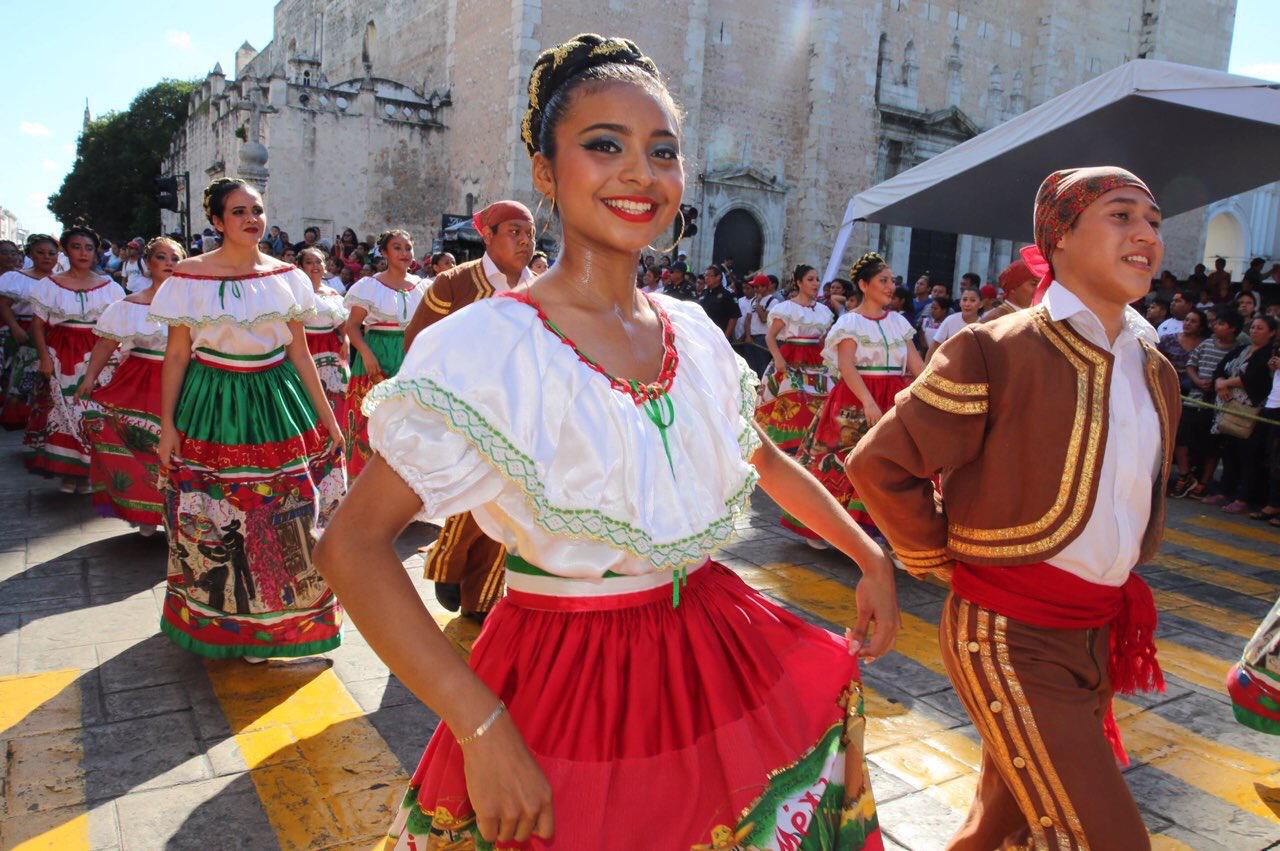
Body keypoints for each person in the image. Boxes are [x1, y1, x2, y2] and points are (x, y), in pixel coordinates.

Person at [314, 34, 895, 850]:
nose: (640, 173)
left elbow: (762, 456)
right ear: (546, 174)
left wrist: (866, 553)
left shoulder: (692, 332)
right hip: (568, 678)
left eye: (664, 151)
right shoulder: (493, 347)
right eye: (604, 146)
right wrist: (480, 726)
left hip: (713, 647)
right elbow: (351, 545)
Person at [850, 166, 1179, 850]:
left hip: (1094, 630)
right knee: (1109, 838)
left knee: (1008, 826)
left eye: (1152, 220)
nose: (1146, 233)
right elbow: (879, 464)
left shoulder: (1156, 368)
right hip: (1009, 633)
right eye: (1121, 215)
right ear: (1058, 237)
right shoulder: (992, 349)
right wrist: (947, 561)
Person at [151, 177, 345, 661]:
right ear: (216, 221)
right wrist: (168, 426)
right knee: (216, 513)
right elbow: (176, 356)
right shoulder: (189, 277)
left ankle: (277, 624)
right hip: (210, 399)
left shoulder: (286, 276)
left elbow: (300, 353)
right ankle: (227, 623)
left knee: (286, 510)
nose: (251, 219)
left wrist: (330, 421)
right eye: (237, 212)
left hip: (276, 397)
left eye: (256, 209)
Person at [402, 200, 535, 621]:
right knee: (473, 493)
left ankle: (482, 597)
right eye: (514, 231)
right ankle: (450, 563)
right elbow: (418, 344)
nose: (525, 240)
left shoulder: (542, 288)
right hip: (466, 411)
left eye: (529, 232)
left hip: (522, 414)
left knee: (508, 504)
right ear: (487, 235)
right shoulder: (454, 284)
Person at [787, 252, 922, 546]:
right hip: (855, 397)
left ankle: (887, 533)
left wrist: (929, 393)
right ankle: (825, 526)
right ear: (863, 284)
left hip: (894, 396)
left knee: (891, 464)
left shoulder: (899, 322)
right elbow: (847, 365)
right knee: (843, 457)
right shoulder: (850, 322)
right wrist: (867, 401)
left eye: (892, 281)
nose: (890, 287)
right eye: (883, 281)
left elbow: (916, 364)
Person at [75, 237, 183, 535]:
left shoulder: (195, 304)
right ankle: (146, 511)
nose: (169, 263)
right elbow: (107, 343)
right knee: (141, 441)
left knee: (182, 446)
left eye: (175, 258)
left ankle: (177, 513)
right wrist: (88, 378)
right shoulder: (129, 305)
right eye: (162, 257)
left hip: (185, 380)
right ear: (148, 264)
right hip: (140, 379)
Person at [25, 226, 126, 492]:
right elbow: (37, 325)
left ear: (96, 252)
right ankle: (70, 472)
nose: (83, 253)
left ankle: (93, 469)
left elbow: (117, 326)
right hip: (62, 350)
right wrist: (45, 357)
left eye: (89, 248)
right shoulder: (50, 286)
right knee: (64, 408)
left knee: (95, 411)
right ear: (66, 250)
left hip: (98, 350)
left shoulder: (110, 288)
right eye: (76, 247)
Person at [341, 230, 428, 478]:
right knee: (369, 420)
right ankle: (364, 482)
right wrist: (367, 355)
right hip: (377, 353)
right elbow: (352, 327)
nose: (404, 253)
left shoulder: (425, 287)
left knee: (407, 422)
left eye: (408, 248)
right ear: (384, 253)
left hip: (409, 355)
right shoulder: (370, 286)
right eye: (397, 248)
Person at [755, 264, 835, 451]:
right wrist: (778, 359)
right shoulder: (786, 309)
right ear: (799, 283)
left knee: (819, 399)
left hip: (816, 359)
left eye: (817, 279)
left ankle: (812, 441)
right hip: (791, 357)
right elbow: (770, 336)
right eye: (810, 279)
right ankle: (786, 443)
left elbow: (827, 338)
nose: (815, 283)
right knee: (790, 399)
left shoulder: (822, 311)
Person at [1208, 315, 1277, 514]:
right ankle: (1225, 490)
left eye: (1261, 328)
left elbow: (1256, 377)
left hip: (1251, 409)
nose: (1255, 331)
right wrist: (1220, 382)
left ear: (1271, 332)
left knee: (1249, 454)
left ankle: (1244, 496)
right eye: (1253, 327)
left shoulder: (1268, 354)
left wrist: (1227, 383)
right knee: (1228, 450)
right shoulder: (1242, 349)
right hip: (1228, 406)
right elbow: (1222, 367)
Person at [1184, 309, 1246, 500]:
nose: (1215, 326)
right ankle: (1185, 476)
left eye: (1221, 323)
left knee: (1212, 446)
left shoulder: (1239, 350)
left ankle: (1204, 482)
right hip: (1194, 398)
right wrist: (1197, 380)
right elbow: (1191, 364)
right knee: (1182, 438)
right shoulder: (1207, 344)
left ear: (1233, 329)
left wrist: (1220, 384)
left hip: (1219, 404)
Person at [0, 235, 58, 430]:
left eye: (51, 253)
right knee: (23, 375)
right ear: (30, 254)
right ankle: (19, 417)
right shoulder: (17, 278)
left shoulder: (62, 279)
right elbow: (4, 305)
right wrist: (15, 328)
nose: (46, 257)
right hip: (25, 331)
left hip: (55, 333)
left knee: (49, 379)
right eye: (40, 253)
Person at [1161, 308, 1208, 497]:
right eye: (1187, 320)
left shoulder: (1205, 344)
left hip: (1192, 396)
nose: (1188, 323)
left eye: (1194, 321)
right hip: (1166, 390)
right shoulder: (1168, 339)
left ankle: (1185, 474)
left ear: (1201, 326)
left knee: (1181, 435)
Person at [298, 246, 349, 417]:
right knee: (307, 391)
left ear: (325, 266)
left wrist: (346, 341)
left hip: (331, 346)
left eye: (318, 261)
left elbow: (342, 323)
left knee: (335, 391)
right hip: (303, 345)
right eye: (309, 262)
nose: (315, 265)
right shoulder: (295, 293)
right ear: (300, 267)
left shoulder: (332, 294)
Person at [926, 287, 979, 362]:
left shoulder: (984, 324)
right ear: (960, 302)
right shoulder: (950, 320)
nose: (967, 304)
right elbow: (934, 346)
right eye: (964, 300)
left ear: (981, 304)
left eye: (972, 300)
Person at [980, 257, 1037, 323]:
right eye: (1034, 284)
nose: (1039, 288)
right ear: (1013, 287)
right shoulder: (993, 320)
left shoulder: (1031, 316)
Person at [695, 264, 740, 341]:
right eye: (705, 275)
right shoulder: (704, 292)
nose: (706, 278)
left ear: (718, 277)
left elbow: (734, 317)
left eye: (710, 275)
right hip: (703, 334)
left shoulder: (728, 294)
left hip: (719, 336)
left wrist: (726, 336)